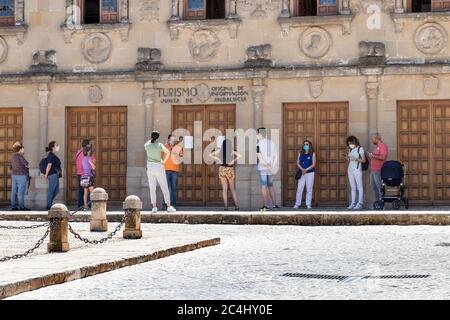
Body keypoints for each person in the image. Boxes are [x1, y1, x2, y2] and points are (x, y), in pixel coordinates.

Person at [145, 131, 176, 213]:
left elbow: (147, 143)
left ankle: (154, 207)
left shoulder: (147, 145)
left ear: (151, 136)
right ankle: (168, 206)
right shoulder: (160, 145)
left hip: (150, 166)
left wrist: (150, 140)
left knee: (152, 188)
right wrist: (164, 161)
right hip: (158, 166)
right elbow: (168, 152)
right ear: (158, 137)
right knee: (164, 187)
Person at [210, 138, 242, 211]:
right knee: (232, 188)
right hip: (229, 169)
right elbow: (240, 155)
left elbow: (210, 154)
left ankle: (225, 207)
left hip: (222, 169)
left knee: (224, 189)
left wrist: (218, 160)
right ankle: (236, 206)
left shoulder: (220, 151)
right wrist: (233, 161)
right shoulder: (231, 151)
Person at [256, 127, 280, 211]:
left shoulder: (258, 145)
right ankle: (274, 204)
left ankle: (266, 205)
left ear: (259, 134)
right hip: (271, 168)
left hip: (263, 168)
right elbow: (276, 156)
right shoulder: (272, 143)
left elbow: (259, 157)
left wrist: (266, 164)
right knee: (270, 185)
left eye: (257, 134)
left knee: (264, 186)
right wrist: (272, 165)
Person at [344, 136, 366, 210]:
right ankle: (353, 203)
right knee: (353, 187)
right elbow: (350, 160)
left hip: (357, 170)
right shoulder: (350, 149)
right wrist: (347, 158)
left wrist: (356, 159)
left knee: (360, 187)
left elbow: (363, 160)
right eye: (349, 143)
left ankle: (360, 203)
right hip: (350, 170)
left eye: (351, 143)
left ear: (354, 142)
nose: (350, 145)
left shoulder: (360, 149)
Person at [293, 140, 316, 210]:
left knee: (309, 188)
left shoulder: (313, 153)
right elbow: (297, 163)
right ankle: (297, 204)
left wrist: (306, 170)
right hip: (302, 173)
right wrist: (302, 169)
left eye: (307, 144)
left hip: (310, 173)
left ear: (309, 145)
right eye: (304, 144)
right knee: (299, 188)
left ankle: (308, 204)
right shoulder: (300, 153)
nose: (305, 146)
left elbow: (313, 164)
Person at [164, 135, 184, 210]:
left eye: (174, 140)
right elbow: (161, 157)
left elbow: (181, 158)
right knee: (165, 188)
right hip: (166, 169)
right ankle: (165, 205)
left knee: (174, 188)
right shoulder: (164, 147)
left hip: (175, 170)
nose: (173, 142)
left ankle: (173, 205)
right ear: (169, 140)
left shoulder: (178, 148)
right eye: (171, 140)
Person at [368, 133, 388, 205]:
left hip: (378, 169)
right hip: (373, 170)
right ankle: (377, 203)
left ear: (376, 138)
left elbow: (383, 157)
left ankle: (382, 204)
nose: (372, 140)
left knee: (379, 187)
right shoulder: (377, 147)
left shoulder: (382, 146)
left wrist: (373, 156)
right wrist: (372, 156)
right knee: (374, 187)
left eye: (372, 139)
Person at [9, 142, 30, 211]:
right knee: (21, 192)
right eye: (23, 149)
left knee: (13, 192)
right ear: (20, 149)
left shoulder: (12, 156)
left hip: (14, 175)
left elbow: (10, 167)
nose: (24, 150)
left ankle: (13, 206)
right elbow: (27, 164)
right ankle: (22, 207)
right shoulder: (20, 156)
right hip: (21, 176)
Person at [75, 139, 95, 209]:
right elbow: (93, 163)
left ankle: (80, 206)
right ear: (87, 145)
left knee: (81, 191)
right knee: (90, 191)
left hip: (80, 174)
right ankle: (90, 205)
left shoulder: (78, 152)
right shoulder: (88, 153)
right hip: (88, 174)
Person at [44, 141, 62, 210]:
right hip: (52, 175)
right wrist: (46, 174)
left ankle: (50, 203)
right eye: (56, 145)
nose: (57, 146)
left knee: (56, 190)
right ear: (53, 147)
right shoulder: (50, 155)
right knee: (51, 190)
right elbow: (49, 165)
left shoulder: (53, 154)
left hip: (55, 175)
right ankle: (49, 206)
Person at [81, 146, 96, 211]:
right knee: (92, 192)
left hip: (84, 176)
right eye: (90, 150)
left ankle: (85, 206)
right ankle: (94, 206)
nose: (90, 151)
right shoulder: (88, 158)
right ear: (88, 152)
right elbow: (93, 167)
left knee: (85, 192)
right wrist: (94, 162)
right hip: (89, 176)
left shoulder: (83, 159)